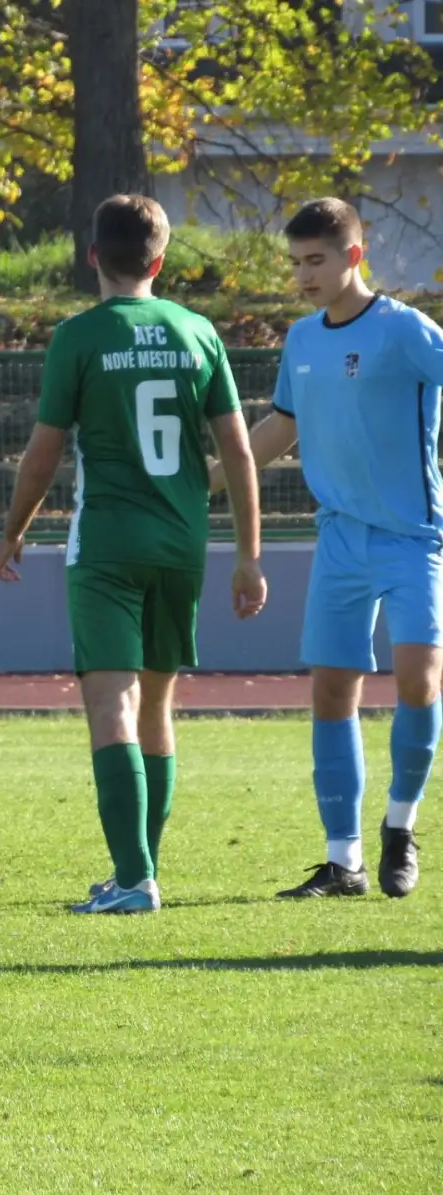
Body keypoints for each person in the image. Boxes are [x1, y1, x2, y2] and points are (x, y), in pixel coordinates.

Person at [0, 193, 267, 914]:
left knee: (110, 704)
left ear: (94, 257)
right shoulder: (197, 331)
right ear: (160, 259)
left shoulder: (79, 338)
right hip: (182, 544)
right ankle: (138, 872)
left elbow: (43, 455)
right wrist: (248, 553)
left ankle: (132, 879)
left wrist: (15, 528)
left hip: (109, 544)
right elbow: (238, 452)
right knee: (158, 707)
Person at [215, 197, 443, 900]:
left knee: (418, 681)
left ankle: (399, 829)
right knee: (332, 691)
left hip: (412, 536)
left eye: (316, 260)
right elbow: (281, 428)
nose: (304, 275)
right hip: (340, 538)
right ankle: (342, 862)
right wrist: (212, 474)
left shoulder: (407, 332)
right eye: (296, 263)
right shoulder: (302, 340)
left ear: (354, 254)